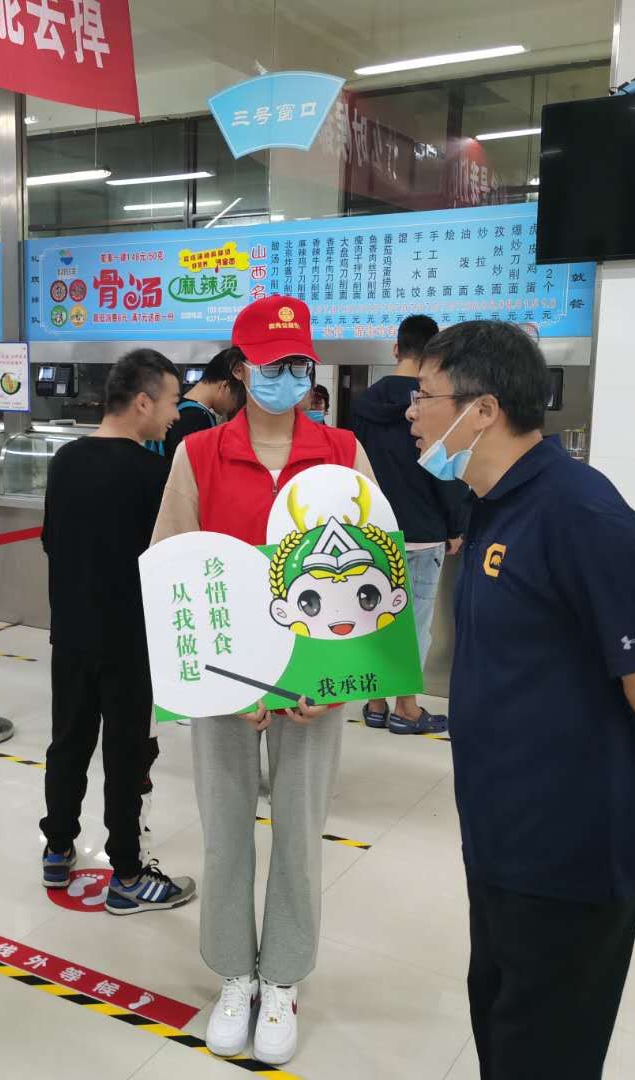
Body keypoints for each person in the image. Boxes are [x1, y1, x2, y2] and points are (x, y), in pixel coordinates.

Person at [406, 321, 635, 1079]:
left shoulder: (579, 514)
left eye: (424, 395)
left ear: (483, 410)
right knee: (504, 1021)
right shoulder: (495, 501)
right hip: (504, 835)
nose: (411, 413)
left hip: (567, 852)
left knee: (545, 1050)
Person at [152, 295, 379, 1066]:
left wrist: (331, 678)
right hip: (226, 680)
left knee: (299, 830)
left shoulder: (342, 452)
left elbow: (372, 577)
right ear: (241, 369)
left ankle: (281, 977)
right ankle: (233, 974)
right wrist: (227, 682)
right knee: (224, 830)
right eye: (272, 363)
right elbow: (176, 571)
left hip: (316, 684)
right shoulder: (199, 455)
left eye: (300, 363)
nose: (288, 375)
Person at [39, 348, 197, 915]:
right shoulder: (156, 476)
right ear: (143, 402)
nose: (176, 415)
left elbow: (51, 541)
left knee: (68, 742)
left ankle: (57, 847)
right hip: (131, 640)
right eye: (173, 402)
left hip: (70, 633)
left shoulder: (65, 460)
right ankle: (127, 872)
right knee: (126, 755)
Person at [351, 314, 471, 734]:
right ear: (433, 354)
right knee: (414, 622)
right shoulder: (431, 402)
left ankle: (375, 703)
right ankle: (406, 708)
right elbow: (442, 470)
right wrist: (456, 525)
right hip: (422, 530)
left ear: (396, 349)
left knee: (374, 618)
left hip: (372, 531)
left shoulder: (363, 405)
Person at [150, 346, 245, 459]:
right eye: (238, 398)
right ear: (225, 386)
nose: (235, 406)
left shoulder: (180, 407)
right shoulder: (197, 418)